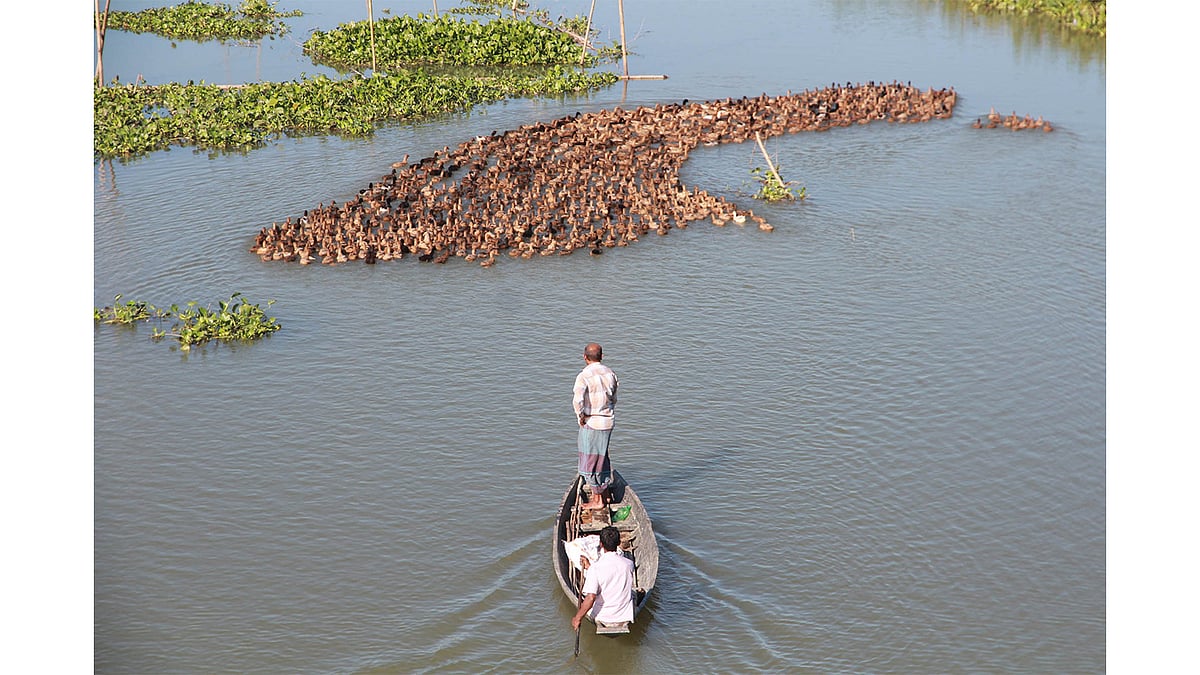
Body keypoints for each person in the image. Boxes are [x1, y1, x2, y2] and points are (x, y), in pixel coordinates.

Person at [573, 343, 618, 510]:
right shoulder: (610, 373)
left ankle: (598, 500)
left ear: (585, 357)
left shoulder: (584, 376)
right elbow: (613, 398)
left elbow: (577, 401)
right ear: (602, 356)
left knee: (590, 461)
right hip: (608, 421)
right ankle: (605, 494)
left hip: (592, 422)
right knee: (602, 457)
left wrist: (581, 417)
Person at [571, 526, 634, 630]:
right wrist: (589, 567)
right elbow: (611, 573)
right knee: (633, 593)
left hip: (603, 618)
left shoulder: (596, 568)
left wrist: (577, 618)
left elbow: (591, 597)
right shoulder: (629, 564)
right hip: (624, 616)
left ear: (601, 544)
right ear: (619, 543)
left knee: (588, 597)